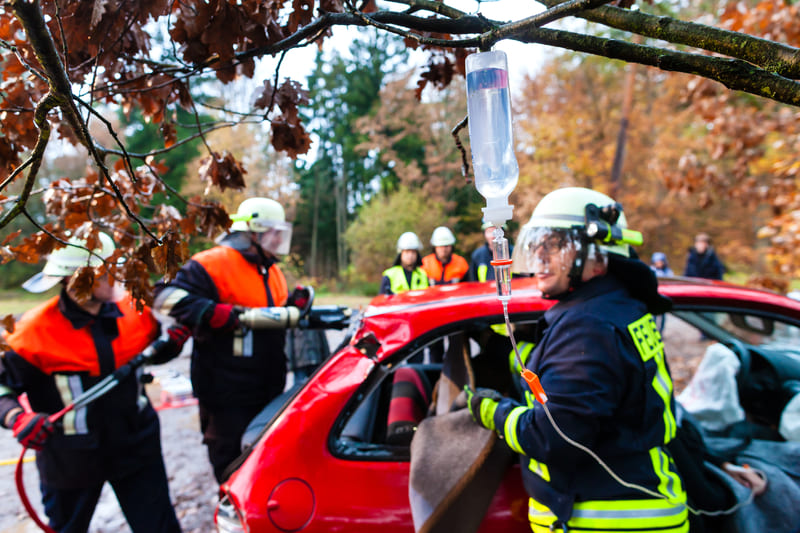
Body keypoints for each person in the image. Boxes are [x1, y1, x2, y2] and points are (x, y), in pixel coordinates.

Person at [465, 187, 689, 533]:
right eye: (536, 244)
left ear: (598, 257)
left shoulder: (589, 328)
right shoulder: (617, 309)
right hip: (638, 504)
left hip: (609, 521)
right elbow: (576, 378)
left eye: (553, 245)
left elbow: (553, 437)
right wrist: (510, 352)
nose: (539, 257)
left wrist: (490, 411)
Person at [0, 233, 186, 533]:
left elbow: (149, 357)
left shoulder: (135, 312)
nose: (116, 278)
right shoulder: (31, 333)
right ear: (76, 279)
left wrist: (171, 348)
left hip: (137, 448)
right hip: (70, 460)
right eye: (105, 272)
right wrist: (16, 417)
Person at [153, 197, 296, 483]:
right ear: (251, 232)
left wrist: (295, 306)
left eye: (281, 231)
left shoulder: (272, 271)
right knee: (232, 465)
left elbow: (267, 313)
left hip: (267, 388)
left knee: (262, 463)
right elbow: (163, 297)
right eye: (272, 231)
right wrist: (208, 312)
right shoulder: (212, 263)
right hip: (225, 394)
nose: (278, 238)